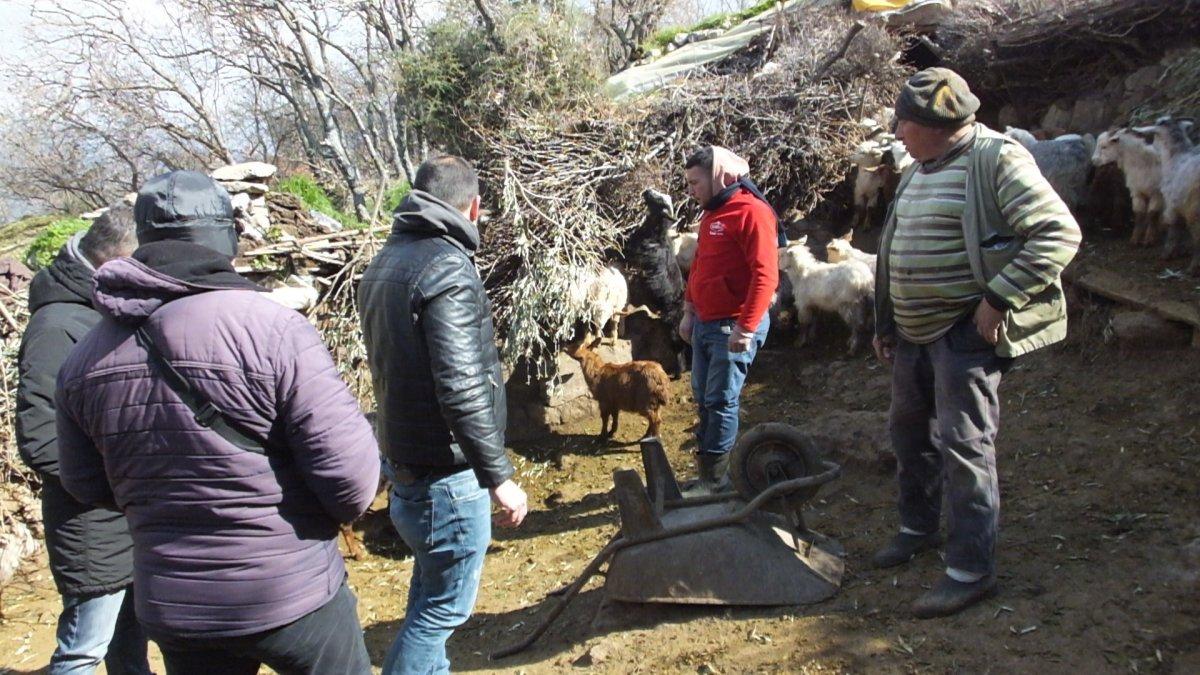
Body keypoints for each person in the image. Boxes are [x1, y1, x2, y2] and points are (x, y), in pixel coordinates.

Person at [55, 170, 380, 674]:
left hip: (176, 605)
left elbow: (86, 484)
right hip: (288, 592)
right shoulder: (274, 329)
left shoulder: (83, 360)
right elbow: (351, 482)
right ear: (226, 237)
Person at [872, 68, 1081, 618]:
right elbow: (896, 245)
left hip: (963, 333)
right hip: (914, 335)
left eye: (904, 122)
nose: (897, 131)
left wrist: (996, 299)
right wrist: (886, 321)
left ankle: (970, 569)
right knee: (908, 432)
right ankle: (917, 527)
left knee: (966, 446)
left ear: (933, 125)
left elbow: (1058, 232)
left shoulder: (997, 159)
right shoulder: (920, 167)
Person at [359, 155, 529, 675]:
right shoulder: (447, 267)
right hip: (447, 480)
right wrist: (498, 476)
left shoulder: (386, 261)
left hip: (407, 467)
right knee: (441, 611)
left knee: (429, 595)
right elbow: (459, 385)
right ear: (473, 207)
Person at [16, 205, 149, 675]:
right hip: (91, 522)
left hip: (124, 516)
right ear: (113, 259)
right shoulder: (56, 325)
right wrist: (116, 480)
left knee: (129, 647)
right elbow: (39, 436)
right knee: (83, 651)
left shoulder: (102, 308)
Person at [676, 146, 780, 492]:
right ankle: (710, 473)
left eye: (695, 182)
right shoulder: (712, 214)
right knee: (704, 398)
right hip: (706, 322)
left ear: (719, 175)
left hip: (732, 325)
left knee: (720, 400)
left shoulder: (751, 212)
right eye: (688, 183)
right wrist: (689, 311)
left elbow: (765, 275)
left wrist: (747, 327)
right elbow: (700, 267)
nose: (691, 190)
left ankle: (717, 481)